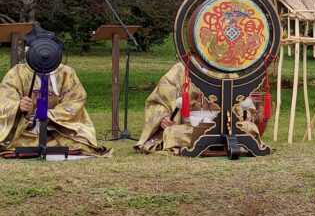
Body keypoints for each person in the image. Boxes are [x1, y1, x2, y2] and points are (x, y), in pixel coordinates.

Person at [0, 25, 110, 157]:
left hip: (57, 127)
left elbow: (75, 100)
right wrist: (18, 106)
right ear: (26, 52)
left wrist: (50, 115)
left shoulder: (66, 73)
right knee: (6, 139)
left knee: (80, 141)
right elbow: (4, 98)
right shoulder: (17, 73)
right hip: (24, 127)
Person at [135, 61, 266, 154]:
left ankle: (219, 142)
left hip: (225, 125)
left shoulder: (226, 69)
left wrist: (246, 114)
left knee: (249, 128)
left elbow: (242, 101)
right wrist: (163, 117)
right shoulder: (180, 70)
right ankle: (222, 144)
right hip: (191, 126)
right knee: (173, 133)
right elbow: (160, 99)